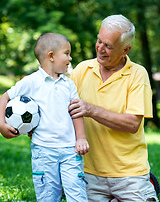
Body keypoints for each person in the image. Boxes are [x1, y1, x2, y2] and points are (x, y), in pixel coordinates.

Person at [69, 15, 158, 202]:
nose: (100, 48)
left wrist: (90, 110)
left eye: (108, 46)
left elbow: (133, 123)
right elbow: (60, 107)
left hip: (129, 174)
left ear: (126, 50)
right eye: (99, 41)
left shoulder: (137, 74)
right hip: (89, 173)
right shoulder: (82, 70)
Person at [0, 33, 89, 202]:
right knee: (47, 196)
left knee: (77, 194)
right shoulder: (31, 82)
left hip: (71, 150)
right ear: (51, 56)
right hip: (43, 151)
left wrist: (81, 138)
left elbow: (76, 112)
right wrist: (1, 125)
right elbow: (4, 98)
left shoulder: (68, 84)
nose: (70, 58)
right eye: (67, 53)